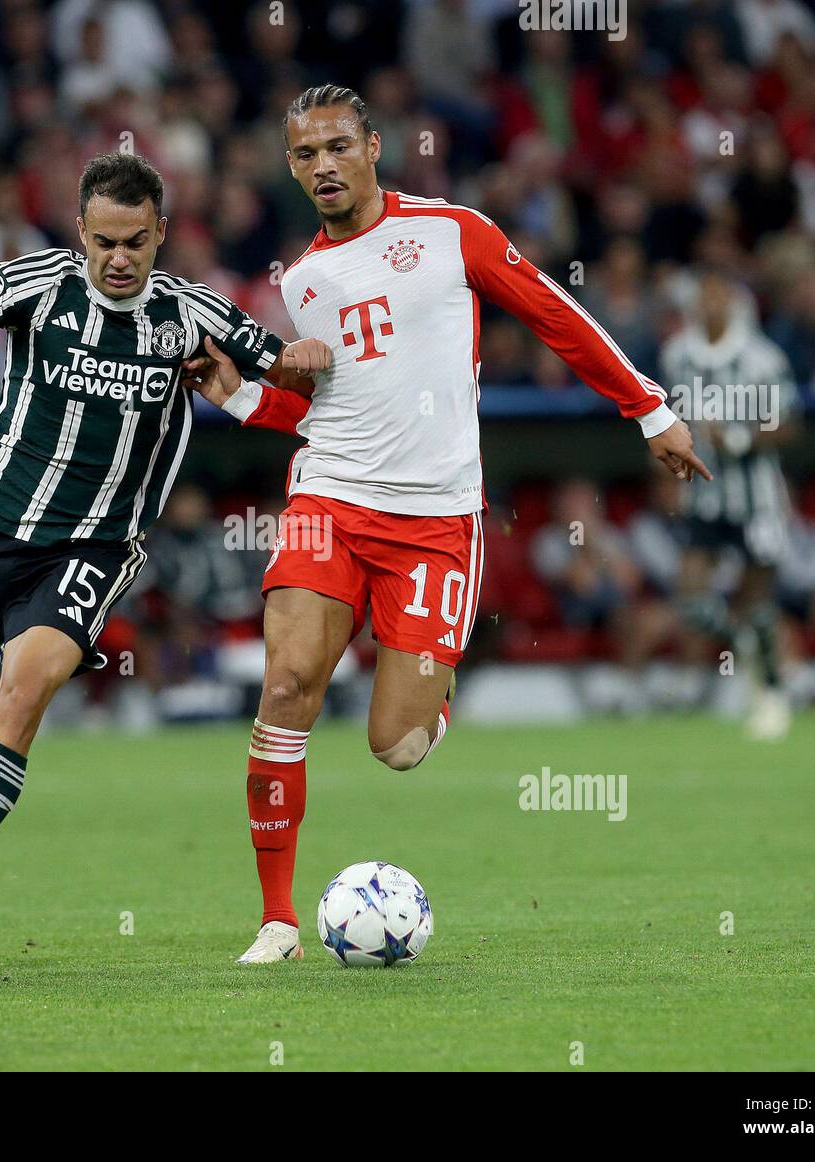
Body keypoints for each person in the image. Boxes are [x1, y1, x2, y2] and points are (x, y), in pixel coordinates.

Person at [182, 84, 708, 964]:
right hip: (329, 500)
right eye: (305, 154)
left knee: (397, 745)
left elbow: (553, 313)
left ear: (375, 146)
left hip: (434, 518)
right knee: (286, 686)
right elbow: (316, 412)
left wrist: (648, 408)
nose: (323, 166)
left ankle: (433, 702)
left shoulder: (449, 231)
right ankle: (277, 920)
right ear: (290, 167)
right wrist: (238, 395)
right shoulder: (302, 280)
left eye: (338, 147)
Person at [0, 152, 330, 964]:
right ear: (80, 234)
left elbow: (297, 374)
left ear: (161, 233)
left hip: (94, 546)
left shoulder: (193, 311)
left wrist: (313, 358)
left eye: (135, 241)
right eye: (104, 242)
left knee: (22, 697)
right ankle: (1, 636)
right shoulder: (35, 285)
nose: (119, 258)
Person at [660, 268, 800, 739]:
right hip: (704, 496)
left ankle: (773, 693)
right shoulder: (677, 354)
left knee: (757, 599)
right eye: (705, 296)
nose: (712, 305)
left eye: (721, 295)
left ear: (736, 301)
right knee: (692, 598)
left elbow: (791, 424)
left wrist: (739, 438)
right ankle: (740, 648)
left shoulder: (763, 358)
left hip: (758, 500)